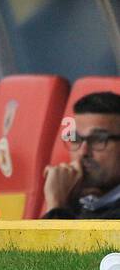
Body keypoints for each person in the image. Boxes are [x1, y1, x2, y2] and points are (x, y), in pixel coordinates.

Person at [42, 92, 120, 220]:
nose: (83, 152)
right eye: (76, 139)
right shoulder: (84, 203)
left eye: (98, 139)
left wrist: (56, 205)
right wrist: (68, 204)